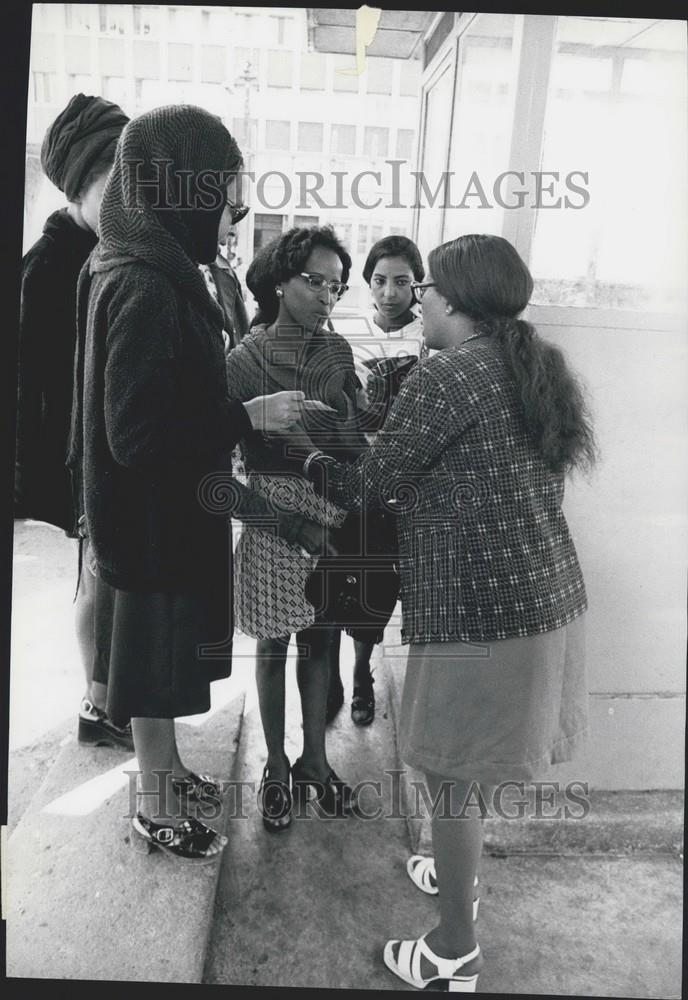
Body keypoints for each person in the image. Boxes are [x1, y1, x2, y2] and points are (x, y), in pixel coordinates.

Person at [288, 234, 596, 989]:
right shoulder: (530, 364)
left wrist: (305, 454)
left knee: (451, 774)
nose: (417, 297)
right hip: (543, 598)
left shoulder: (446, 377)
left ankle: (452, 949)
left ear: (454, 300)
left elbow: (373, 486)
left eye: (426, 287)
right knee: (467, 768)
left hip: (477, 613)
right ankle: (461, 878)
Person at [72, 105, 331, 864]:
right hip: (150, 522)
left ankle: (169, 774)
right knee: (151, 675)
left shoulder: (136, 262)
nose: (232, 213)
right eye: (225, 195)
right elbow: (139, 433)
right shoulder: (146, 284)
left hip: (149, 517)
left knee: (157, 668)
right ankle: (155, 810)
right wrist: (244, 414)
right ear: (182, 189)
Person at [225, 224, 369, 832]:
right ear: (280, 281)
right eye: (314, 282)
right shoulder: (244, 359)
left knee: (323, 638)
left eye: (336, 287)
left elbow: (355, 439)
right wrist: (285, 520)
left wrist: (358, 422)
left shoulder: (337, 353)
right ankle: (276, 767)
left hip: (333, 514)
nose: (326, 297)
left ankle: (315, 760)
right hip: (273, 521)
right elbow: (218, 469)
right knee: (273, 643)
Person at [15, 94, 132, 750]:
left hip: (94, 451)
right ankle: (97, 703)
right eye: (117, 183)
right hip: (82, 456)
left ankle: (103, 698)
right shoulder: (55, 266)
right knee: (97, 579)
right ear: (83, 183)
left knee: (101, 579)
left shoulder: (90, 252)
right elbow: (47, 391)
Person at [326, 234, 426, 727]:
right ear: (367, 283)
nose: (389, 292)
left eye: (401, 282)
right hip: (348, 474)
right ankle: (329, 675)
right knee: (337, 574)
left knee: (378, 584)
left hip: (397, 486)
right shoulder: (343, 328)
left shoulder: (430, 340)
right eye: (380, 281)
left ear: (417, 287)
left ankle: (362, 669)